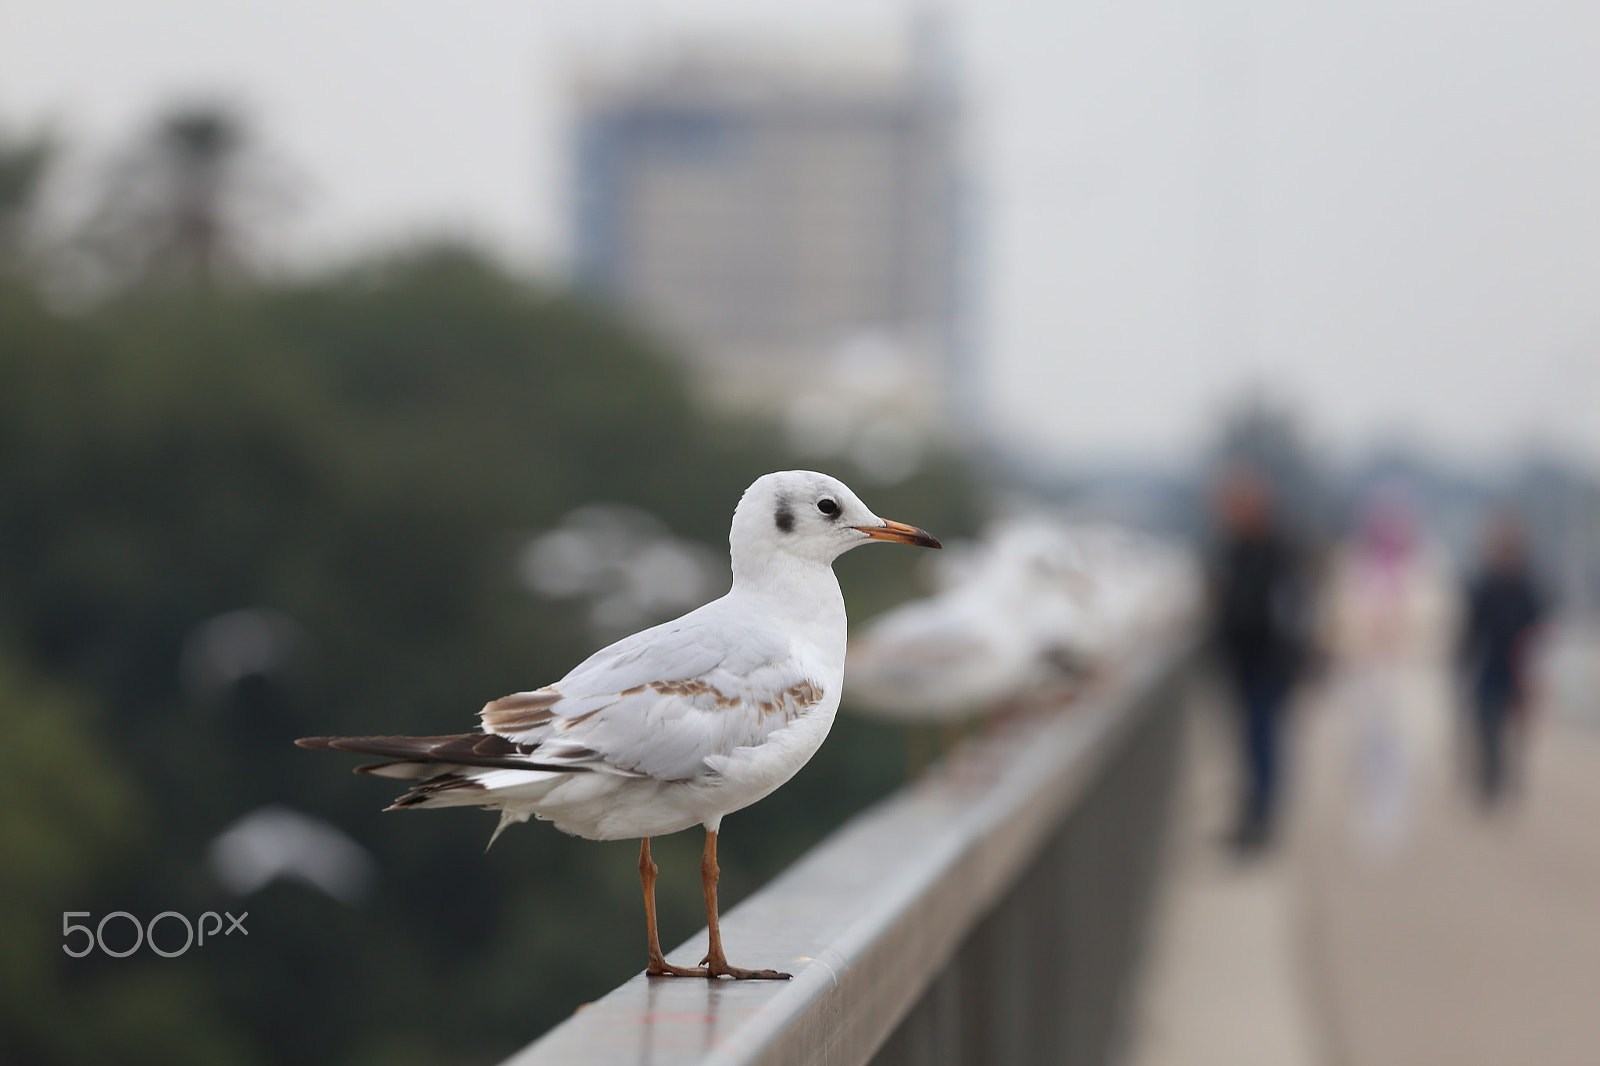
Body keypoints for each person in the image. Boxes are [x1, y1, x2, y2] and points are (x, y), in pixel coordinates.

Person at [1210, 468, 1309, 851]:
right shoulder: (1233, 548)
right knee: (1248, 746)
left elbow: (1286, 611)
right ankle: (1251, 816)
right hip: (1240, 664)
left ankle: (1261, 823)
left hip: (1267, 665)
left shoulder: (1277, 550)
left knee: (1264, 743)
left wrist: (1292, 663)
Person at [1458, 512, 1547, 806]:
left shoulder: (1528, 587)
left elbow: (1539, 628)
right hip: (1490, 666)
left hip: (1518, 668)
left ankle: (1506, 779)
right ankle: (1490, 781)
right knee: (1487, 725)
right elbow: (1472, 628)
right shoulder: (1485, 585)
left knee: (1514, 730)